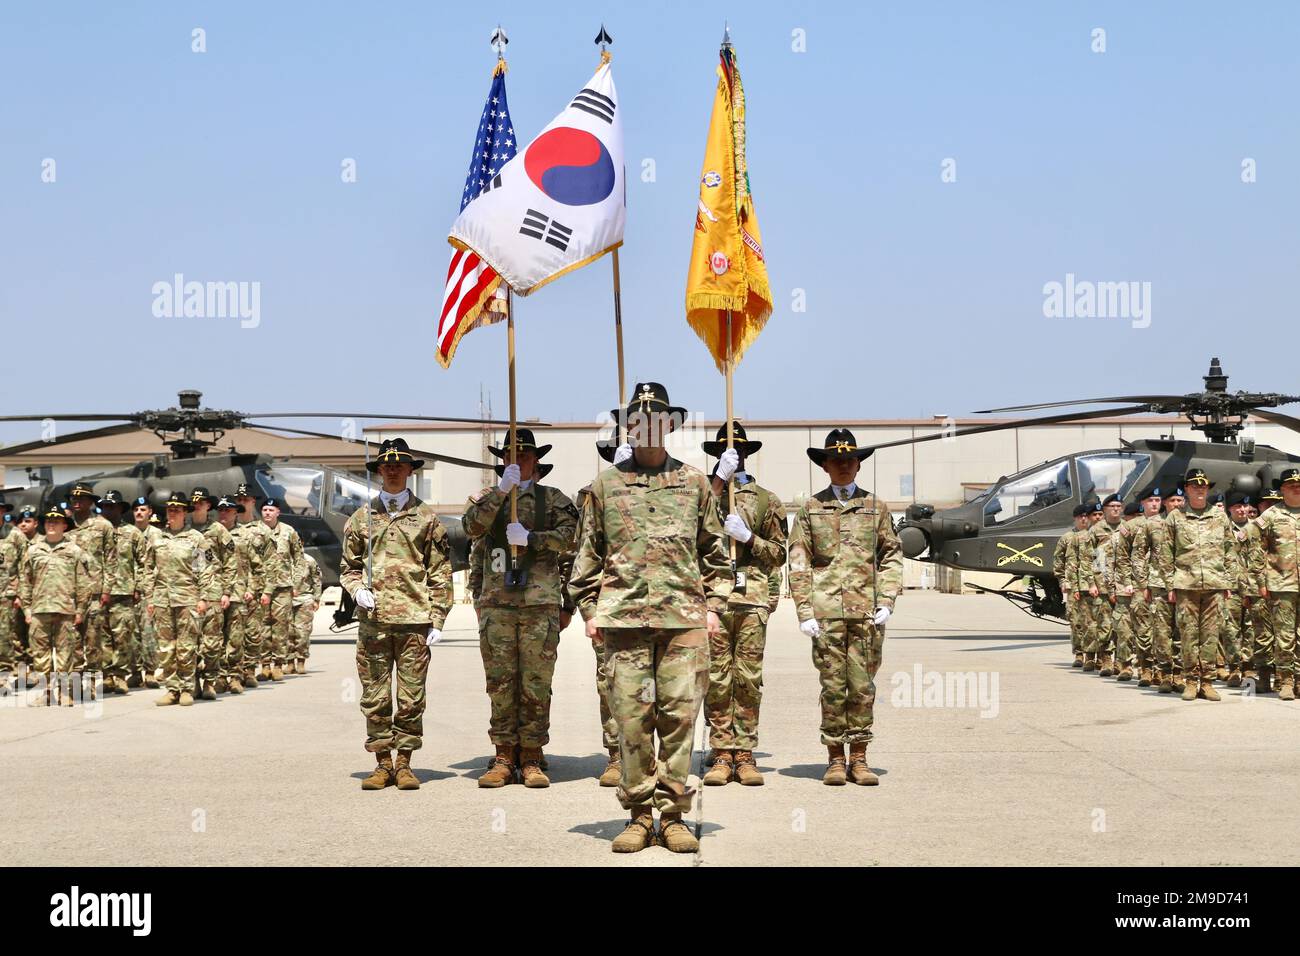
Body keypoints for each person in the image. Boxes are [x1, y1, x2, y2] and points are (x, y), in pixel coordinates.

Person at [569, 382, 731, 853]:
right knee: (632, 722)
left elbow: (716, 555)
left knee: (680, 718)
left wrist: (715, 608)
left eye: (657, 420)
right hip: (623, 625)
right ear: (628, 428)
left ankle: (674, 814)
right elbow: (588, 556)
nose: (647, 428)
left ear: (670, 426)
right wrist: (589, 610)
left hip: (683, 623)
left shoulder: (696, 483)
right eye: (637, 421)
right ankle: (639, 815)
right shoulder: (605, 485)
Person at [463, 427, 577, 789]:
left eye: (524, 456)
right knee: (500, 683)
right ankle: (502, 755)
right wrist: (500, 493)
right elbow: (471, 530)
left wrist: (533, 539)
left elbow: (571, 538)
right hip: (497, 604)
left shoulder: (553, 499)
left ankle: (531, 755)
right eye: (510, 456)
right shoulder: (487, 498)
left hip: (538, 604)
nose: (517, 461)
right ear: (502, 462)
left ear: (535, 460)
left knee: (535, 683)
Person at [788, 428, 903, 787]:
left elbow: (891, 556)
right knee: (834, 686)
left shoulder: (875, 507)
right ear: (825, 466)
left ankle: (861, 757)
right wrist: (804, 611)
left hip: (867, 613)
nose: (842, 466)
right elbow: (799, 560)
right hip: (825, 615)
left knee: (863, 687)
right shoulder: (810, 509)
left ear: (858, 465)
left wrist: (886, 600)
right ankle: (836, 758)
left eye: (848, 460)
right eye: (835, 461)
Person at [340, 438, 452, 791]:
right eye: (386, 466)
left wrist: (438, 618)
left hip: (414, 621)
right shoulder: (361, 518)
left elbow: (440, 571)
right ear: (379, 471)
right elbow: (348, 566)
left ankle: (404, 763)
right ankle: (381, 763)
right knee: (375, 696)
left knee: (410, 698)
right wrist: (357, 590)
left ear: (409, 471)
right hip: (374, 624)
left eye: (399, 465)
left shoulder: (427, 518)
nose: (392, 471)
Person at [700, 421, 786, 788]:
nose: (730, 455)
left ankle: (745, 752)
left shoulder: (766, 500)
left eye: (736, 450)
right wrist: (718, 482)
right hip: (712, 600)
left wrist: (750, 539)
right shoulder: (702, 492)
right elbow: (687, 528)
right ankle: (721, 752)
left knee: (748, 679)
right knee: (717, 678)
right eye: (723, 450)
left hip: (750, 600)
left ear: (748, 453)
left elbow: (779, 554)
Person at [1158, 469, 1236, 702]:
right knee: (1188, 635)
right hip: (1186, 585)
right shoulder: (1176, 517)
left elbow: (1230, 550)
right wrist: (1170, 584)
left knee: (1211, 635)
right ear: (1187, 489)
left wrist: (1228, 581)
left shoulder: (1219, 516)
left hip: (1214, 584)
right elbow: (1165, 553)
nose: (1200, 489)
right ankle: (1191, 682)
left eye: (1203, 486)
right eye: (1195, 486)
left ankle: (1208, 682)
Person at [149, 493, 217, 707]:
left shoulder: (196, 538)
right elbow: (148, 569)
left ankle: (187, 689)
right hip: (162, 599)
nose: (173, 513)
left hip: (188, 598)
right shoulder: (157, 538)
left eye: (177, 509)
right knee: (166, 647)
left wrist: (204, 597)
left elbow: (206, 570)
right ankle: (172, 689)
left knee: (187, 646)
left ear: (185, 512)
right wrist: (149, 597)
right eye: (170, 509)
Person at [20, 506, 93, 706]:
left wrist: (80, 610)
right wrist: (27, 610)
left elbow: (83, 583)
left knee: (65, 654)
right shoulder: (33, 550)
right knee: (41, 656)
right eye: (48, 521)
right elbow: (25, 581)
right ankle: (46, 692)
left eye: (56, 521)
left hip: (66, 610)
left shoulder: (74, 551)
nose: (51, 524)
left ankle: (64, 692)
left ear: (64, 525)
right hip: (39, 609)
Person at [1251, 469, 1300, 701]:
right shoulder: (1271, 515)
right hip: (1282, 585)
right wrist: (1262, 580)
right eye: (1291, 485)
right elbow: (1255, 548)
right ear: (1282, 489)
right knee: (1285, 636)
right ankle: (1287, 680)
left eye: (1299, 484)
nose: (1296, 488)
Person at [66, 482, 113, 698]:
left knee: (93, 641)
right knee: (72, 641)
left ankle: (93, 685)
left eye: (81, 499)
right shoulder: (65, 526)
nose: (76, 502)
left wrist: (107, 589)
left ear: (90, 502)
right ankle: (74, 686)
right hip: (70, 593)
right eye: (74, 499)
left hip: (94, 592)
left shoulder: (102, 526)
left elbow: (111, 559)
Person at [188, 487, 235, 698]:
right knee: (189, 641)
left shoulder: (217, 530)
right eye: (194, 501)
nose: (197, 504)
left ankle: (210, 681)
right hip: (188, 591)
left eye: (202, 502)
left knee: (211, 641)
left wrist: (227, 591)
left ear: (209, 505)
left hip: (214, 590)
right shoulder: (185, 528)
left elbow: (231, 561)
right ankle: (193, 682)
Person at [97, 490, 143, 695]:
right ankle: (107, 676)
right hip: (99, 592)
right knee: (103, 636)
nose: (108, 510)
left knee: (123, 636)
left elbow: (144, 562)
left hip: (124, 592)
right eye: (105, 506)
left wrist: (139, 586)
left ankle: (121, 676)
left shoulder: (132, 533)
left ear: (120, 509)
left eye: (112, 506)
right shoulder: (95, 532)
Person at [258, 498, 305, 682]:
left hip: (283, 587)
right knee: (262, 627)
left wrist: (296, 583)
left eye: (271, 510)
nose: (267, 513)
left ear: (278, 512)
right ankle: (264, 665)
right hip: (261, 587)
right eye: (264, 509)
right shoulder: (256, 531)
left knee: (280, 627)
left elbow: (299, 558)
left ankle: (278, 665)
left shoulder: (288, 532)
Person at [230, 482, 272, 688]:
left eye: (245, 500)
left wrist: (264, 590)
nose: (242, 503)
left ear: (253, 501)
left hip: (255, 589)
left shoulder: (262, 530)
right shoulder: (228, 529)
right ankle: (234, 672)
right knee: (233, 634)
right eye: (239, 500)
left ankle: (249, 671)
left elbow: (269, 563)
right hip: (233, 590)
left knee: (253, 633)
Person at [214, 495, 254, 695]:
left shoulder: (245, 536)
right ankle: (220, 677)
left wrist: (251, 588)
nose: (223, 513)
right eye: (221, 510)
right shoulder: (210, 534)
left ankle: (236, 676)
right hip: (215, 592)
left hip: (238, 593)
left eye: (228, 510)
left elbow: (256, 566)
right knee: (216, 637)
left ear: (235, 513)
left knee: (236, 638)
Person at [1, 506, 39, 685]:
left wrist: (21, 595)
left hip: (8, 594)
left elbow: (25, 568)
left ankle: (6, 674)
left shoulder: (15, 535)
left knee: (8, 635)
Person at [129, 497, 163, 688]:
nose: (139, 513)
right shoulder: (128, 533)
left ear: (150, 511)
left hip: (149, 590)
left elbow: (157, 563)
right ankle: (135, 672)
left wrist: (147, 587)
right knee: (132, 633)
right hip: (129, 590)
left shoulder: (157, 534)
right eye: (136, 509)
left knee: (149, 632)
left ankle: (150, 672)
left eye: (143, 509)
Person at [1055, 505, 1092, 667]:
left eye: (1086, 516)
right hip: (1072, 586)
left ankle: (1091, 655)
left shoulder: (1094, 536)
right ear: (1075, 518)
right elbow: (1058, 561)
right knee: (1075, 621)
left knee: (1091, 622)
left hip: (1090, 585)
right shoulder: (1066, 538)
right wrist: (1063, 581)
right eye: (1080, 517)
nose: (1083, 519)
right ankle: (1079, 654)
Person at [290, 552, 321, 675]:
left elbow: (316, 579)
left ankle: (301, 661)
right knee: (287, 633)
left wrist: (316, 599)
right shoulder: (284, 559)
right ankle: (289, 662)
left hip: (305, 599)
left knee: (303, 632)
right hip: (286, 600)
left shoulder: (309, 560)